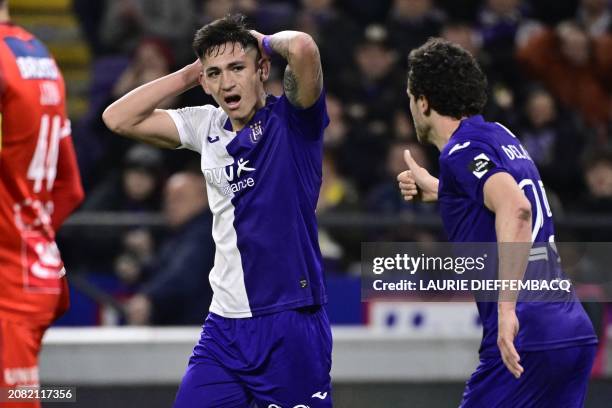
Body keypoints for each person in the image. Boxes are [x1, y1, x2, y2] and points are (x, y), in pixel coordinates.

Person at [102, 14, 331, 408]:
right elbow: (116, 118)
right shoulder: (205, 125)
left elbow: (304, 48)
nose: (227, 82)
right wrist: (190, 73)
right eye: (216, 74)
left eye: (237, 68)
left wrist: (262, 40)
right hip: (223, 328)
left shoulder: (293, 121)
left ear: (261, 70)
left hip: (289, 321)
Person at [397, 38, 597, 407]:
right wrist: (444, 192)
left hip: (525, 330)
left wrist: (506, 309)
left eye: (410, 97)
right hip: (570, 327)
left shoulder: (461, 151)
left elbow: (516, 209)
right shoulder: (500, 135)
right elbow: (498, 199)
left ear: (423, 101)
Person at [0, 0, 84, 405]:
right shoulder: (38, 54)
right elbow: (70, 188)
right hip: (34, 271)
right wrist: (32, 234)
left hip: (6, 284)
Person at [125, 172, 215, 326]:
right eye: (168, 198)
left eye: (179, 198)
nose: (170, 204)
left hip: (196, 329)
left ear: (202, 199)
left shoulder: (205, 232)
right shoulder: (181, 232)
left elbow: (185, 272)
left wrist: (149, 297)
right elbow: (167, 268)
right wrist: (143, 265)